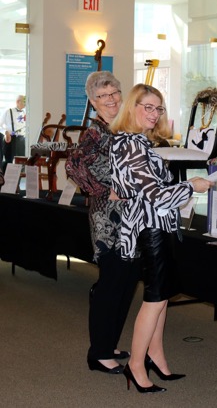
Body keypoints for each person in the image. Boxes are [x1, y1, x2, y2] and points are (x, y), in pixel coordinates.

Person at [109, 84, 213, 393]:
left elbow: (142, 190)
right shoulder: (130, 143)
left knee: (162, 295)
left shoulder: (140, 142)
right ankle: (136, 365)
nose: (154, 114)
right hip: (149, 228)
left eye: (159, 108)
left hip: (159, 225)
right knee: (154, 299)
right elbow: (153, 194)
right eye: (148, 107)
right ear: (132, 107)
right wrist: (191, 186)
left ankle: (155, 355)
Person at [65, 71, 140, 375]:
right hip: (107, 220)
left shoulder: (121, 128)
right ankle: (98, 354)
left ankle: (109, 344)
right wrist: (100, 190)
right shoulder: (95, 132)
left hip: (131, 217)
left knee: (127, 280)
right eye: (103, 97)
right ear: (93, 102)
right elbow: (73, 165)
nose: (110, 101)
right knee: (111, 284)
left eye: (114, 94)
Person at [1, 95, 26, 172]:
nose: (25, 104)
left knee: (21, 162)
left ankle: (19, 182)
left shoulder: (25, 113)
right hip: (11, 139)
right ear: (18, 102)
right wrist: (6, 132)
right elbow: (0, 125)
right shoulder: (8, 111)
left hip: (21, 140)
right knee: (9, 161)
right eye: (24, 101)